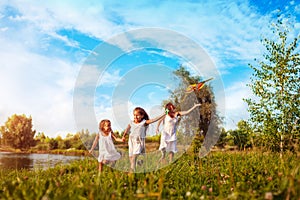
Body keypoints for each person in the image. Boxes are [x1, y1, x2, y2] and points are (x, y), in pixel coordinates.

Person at [122, 107, 165, 172]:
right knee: (131, 158)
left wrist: (164, 114)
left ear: (142, 116)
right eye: (134, 115)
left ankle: (132, 172)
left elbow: (154, 119)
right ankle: (137, 167)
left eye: (137, 115)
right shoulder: (131, 122)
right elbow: (127, 129)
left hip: (139, 141)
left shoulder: (144, 122)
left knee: (134, 157)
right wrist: (123, 136)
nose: (135, 117)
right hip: (131, 141)